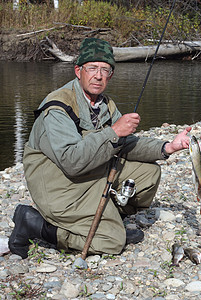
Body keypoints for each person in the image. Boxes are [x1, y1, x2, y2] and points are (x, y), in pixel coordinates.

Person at [8, 38, 191, 259]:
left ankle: (110, 217)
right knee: (112, 243)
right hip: (58, 184)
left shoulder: (104, 104)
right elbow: (72, 162)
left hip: (90, 173)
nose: (98, 75)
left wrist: (168, 147)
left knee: (149, 174)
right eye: (92, 68)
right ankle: (35, 225)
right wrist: (113, 131)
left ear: (110, 75)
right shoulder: (57, 107)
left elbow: (126, 144)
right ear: (78, 71)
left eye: (105, 70)